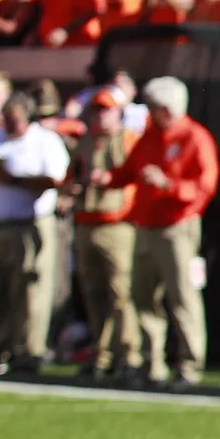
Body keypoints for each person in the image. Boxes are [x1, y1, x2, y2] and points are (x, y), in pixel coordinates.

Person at [99, 77, 217, 389]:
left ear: (168, 109)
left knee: (182, 296)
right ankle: (152, 364)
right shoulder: (149, 137)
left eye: (154, 108)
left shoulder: (195, 137)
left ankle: (190, 365)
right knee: (142, 296)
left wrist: (168, 185)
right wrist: (108, 178)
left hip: (177, 227)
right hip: (146, 225)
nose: (149, 113)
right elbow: (130, 170)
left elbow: (205, 186)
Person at [0, 91, 71, 376]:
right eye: (6, 120)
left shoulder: (45, 142)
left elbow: (56, 180)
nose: (9, 126)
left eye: (15, 120)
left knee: (28, 292)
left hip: (26, 225)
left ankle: (28, 352)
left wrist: (12, 179)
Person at [65, 86, 140, 382]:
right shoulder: (85, 143)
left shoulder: (128, 139)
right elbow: (70, 177)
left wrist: (110, 179)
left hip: (117, 224)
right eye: (96, 110)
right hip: (86, 222)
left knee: (121, 293)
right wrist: (72, 189)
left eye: (106, 110)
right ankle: (102, 354)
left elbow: (135, 176)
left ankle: (129, 355)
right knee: (94, 294)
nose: (100, 116)